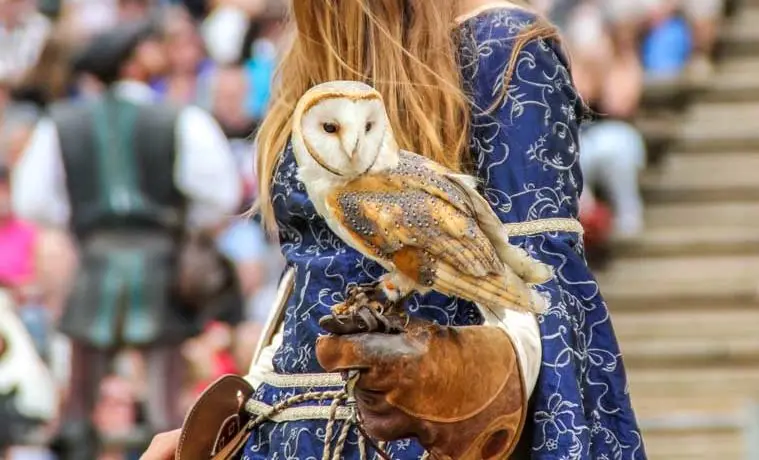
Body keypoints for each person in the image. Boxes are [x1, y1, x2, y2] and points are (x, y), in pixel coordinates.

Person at [144, 0, 645, 458]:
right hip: (285, 432)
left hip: (418, 436)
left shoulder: (501, 47)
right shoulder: (308, 54)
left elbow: (541, 282)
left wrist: (476, 382)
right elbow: (308, 276)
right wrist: (238, 411)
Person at [12, 18, 241, 460]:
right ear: (131, 63)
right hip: (160, 267)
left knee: (81, 398)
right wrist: (178, 223)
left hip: (94, 264)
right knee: (164, 403)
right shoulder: (179, 117)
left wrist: (85, 223)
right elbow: (220, 195)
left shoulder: (62, 122)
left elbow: (32, 200)